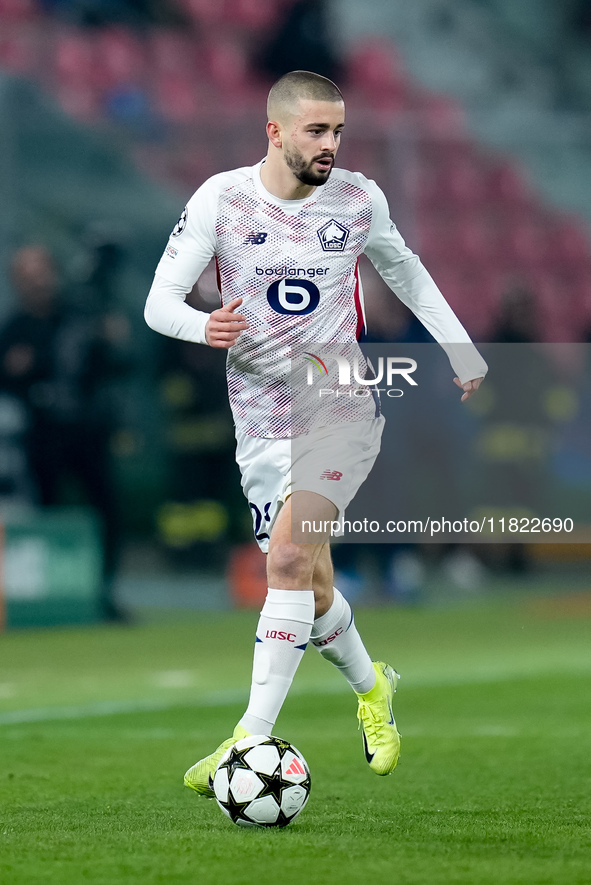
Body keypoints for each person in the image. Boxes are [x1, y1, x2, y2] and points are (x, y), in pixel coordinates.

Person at [144, 70, 487, 795]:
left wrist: (459, 348)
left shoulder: (358, 199)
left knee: (290, 563)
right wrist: (201, 325)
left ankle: (248, 739)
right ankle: (373, 688)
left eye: (337, 130)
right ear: (273, 131)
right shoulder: (223, 199)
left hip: (338, 405)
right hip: (259, 418)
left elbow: (408, 272)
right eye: (315, 131)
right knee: (313, 583)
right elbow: (158, 304)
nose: (331, 144)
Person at [0, 245, 126, 621]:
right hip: (41, 436)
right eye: (27, 276)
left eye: (41, 273)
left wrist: (113, 341)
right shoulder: (15, 329)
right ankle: (47, 596)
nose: (37, 283)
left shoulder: (79, 318)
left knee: (105, 511)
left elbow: (118, 367)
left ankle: (104, 591)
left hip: (87, 432)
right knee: (44, 512)